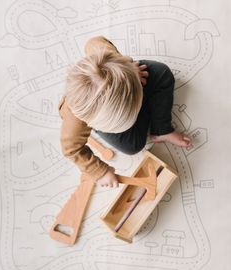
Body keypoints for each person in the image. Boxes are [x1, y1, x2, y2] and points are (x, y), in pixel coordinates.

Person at [59, 36, 191, 188]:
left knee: (161, 73)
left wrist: (126, 66)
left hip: (128, 77)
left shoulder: (109, 61)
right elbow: (71, 150)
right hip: (108, 107)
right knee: (132, 146)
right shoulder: (75, 120)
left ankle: (162, 129)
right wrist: (100, 172)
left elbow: (93, 42)